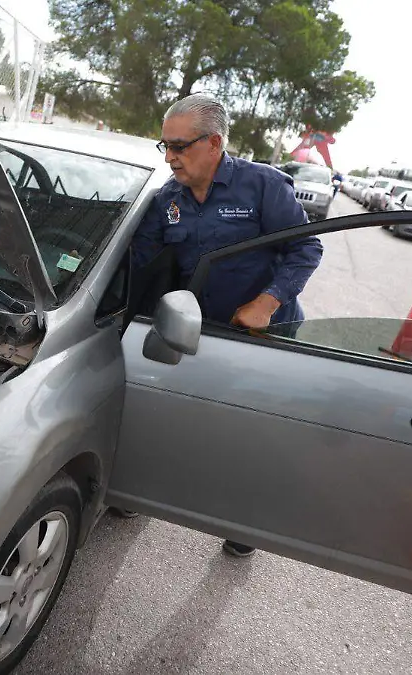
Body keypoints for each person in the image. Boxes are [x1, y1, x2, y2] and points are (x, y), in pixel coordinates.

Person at [125, 93, 324, 558]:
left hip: (264, 337)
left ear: (214, 143)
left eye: (179, 146)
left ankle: (243, 519)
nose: (170, 157)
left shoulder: (263, 186)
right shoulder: (166, 200)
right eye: (165, 146)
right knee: (177, 417)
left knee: (255, 433)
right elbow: (139, 260)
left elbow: (306, 248)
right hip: (199, 331)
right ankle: (140, 492)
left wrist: (266, 302)